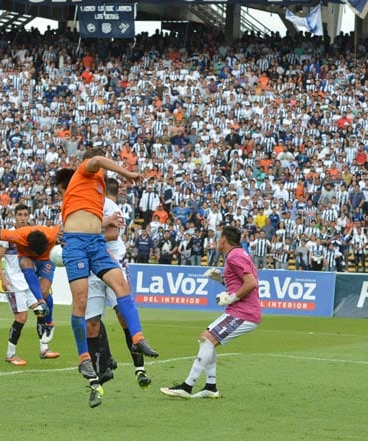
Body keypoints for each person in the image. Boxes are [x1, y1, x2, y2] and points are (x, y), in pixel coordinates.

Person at [58, 148, 158, 409]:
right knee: (80, 303)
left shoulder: (99, 187)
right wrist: (129, 173)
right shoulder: (85, 171)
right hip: (77, 244)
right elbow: (99, 160)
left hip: (95, 244)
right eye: (101, 166)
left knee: (121, 284)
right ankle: (83, 357)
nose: (101, 169)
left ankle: (137, 338)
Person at [161, 225, 261, 399]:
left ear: (223, 240)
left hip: (243, 312)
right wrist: (221, 280)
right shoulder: (239, 254)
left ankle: (187, 386)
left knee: (207, 339)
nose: (216, 242)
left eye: (218, 238)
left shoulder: (234, 256)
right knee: (208, 340)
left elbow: (251, 283)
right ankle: (210, 387)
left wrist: (232, 298)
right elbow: (241, 283)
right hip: (242, 311)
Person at [0, 204, 60, 365]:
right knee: (22, 317)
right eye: (19, 215)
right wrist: (3, 278)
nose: (22, 218)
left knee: (41, 312)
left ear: (29, 216)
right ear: (14, 217)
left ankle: (44, 349)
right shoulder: (10, 236)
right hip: (14, 284)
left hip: (28, 282)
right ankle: (11, 354)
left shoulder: (34, 234)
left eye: (25, 214)